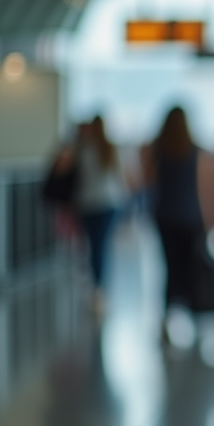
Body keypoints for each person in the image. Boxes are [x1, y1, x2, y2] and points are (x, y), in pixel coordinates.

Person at [143, 107, 214, 334]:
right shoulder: (198, 152)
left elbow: (145, 181)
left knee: (170, 267)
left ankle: (170, 314)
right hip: (192, 217)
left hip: (165, 216)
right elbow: (207, 191)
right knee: (192, 268)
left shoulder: (157, 150)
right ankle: (194, 313)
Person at [73, 116, 129, 316]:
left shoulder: (83, 149)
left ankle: (98, 287)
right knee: (100, 246)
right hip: (108, 203)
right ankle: (100, 288)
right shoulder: (109, 149)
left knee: (94, 246)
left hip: (89, 203)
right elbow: (122, 179)